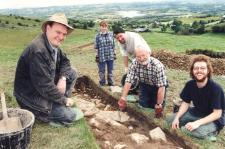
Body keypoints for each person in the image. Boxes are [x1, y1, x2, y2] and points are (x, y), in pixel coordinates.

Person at [14, 13, 83, 126]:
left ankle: (59, 103)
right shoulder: (38, 50)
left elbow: (66, 62)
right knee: (70, 116)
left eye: (64, 34)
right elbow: (44, 86)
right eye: (58, 32)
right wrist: (64, 100)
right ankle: (51, 109)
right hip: (31, 96)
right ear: (48, 28)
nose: (61, 37)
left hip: (42, 87)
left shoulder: (52, 44)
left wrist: (62, 78)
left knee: (72, 72)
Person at [167, 54, 225, 139]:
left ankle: (213, 132)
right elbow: (186, 103)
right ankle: (193, 123)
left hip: (213, 119)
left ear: (208, 70)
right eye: (196, 68)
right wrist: (177, 117)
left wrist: (197, 123)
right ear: (192, 71)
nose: (199, 71)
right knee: (169, 121)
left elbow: (217, 114)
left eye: (202, 68)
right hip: (196, 112)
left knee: (188, 130)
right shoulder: (190, 85)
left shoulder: (216, 89)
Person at [118, 45, 167, 118]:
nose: (141, 59)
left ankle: (157, 120)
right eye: (138, 57)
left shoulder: (158, 66)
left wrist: (159, 104)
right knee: (143, 104)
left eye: (143, 55)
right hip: (144, 84)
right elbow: (128, 80)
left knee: (156, 107)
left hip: (157, 87)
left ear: (149, 53)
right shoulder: (134, 63)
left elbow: (161, 87)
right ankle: (144, 120)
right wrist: (123, 97)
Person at [94, 21, 116, 86]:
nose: (104, 28)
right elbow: (96, 47)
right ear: (100, 27)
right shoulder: (97, 36)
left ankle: (111, 83)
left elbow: (113, 45)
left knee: (111, 70)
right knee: (101, 71)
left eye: (105, 26)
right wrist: (97, 56)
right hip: (101, 56)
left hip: (110, 55)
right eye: (102, 26)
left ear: (107, 27)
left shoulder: (111, 34)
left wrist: (114, 53)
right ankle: (102, 83)